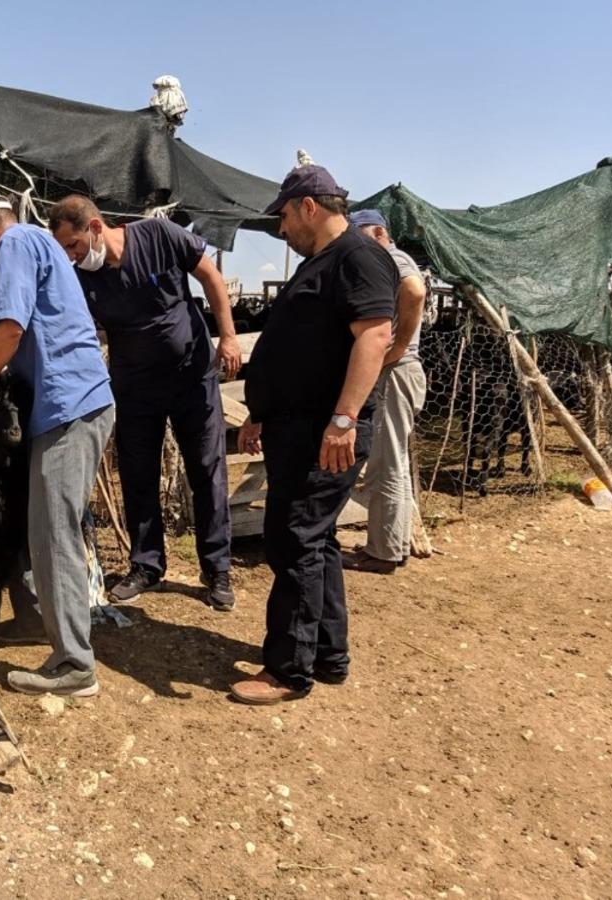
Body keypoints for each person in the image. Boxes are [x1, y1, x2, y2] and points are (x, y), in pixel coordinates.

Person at [232, 165, 396, 705]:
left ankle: (287, 670)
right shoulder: (324, 262)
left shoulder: (356, 256)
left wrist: (344, 418)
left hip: (324, 431)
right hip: (296, 428)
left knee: (295, 540)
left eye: (283, 216)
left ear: (308, 206)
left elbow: (374, 336)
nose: (281, 229)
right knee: (316, 540)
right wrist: (261, 412)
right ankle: (329, 654)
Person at [0, 189, 115, 697]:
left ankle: (74, 666)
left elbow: (9, 331)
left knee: (53, 534)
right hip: (71, 405)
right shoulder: (39, 243)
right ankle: (43, 627)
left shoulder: (16, 244)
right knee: (41, 526)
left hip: (68, 408)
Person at [48, 196, 241, 611]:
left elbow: (209, 276)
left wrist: (227, 336)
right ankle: (147, 564)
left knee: (207, 468)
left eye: (74, 244)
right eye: (64, 249)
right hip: (134, 386)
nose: (72, 255)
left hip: (191, 375)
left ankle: (217, 568)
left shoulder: (158, 234)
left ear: (96, 228)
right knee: (138, 473)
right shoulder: (83, 277)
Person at [342, 209, 428, 575]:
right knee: (394, 462)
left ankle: (383, 553)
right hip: (400, 370)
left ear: (378, 232)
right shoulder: (392, 258)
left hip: (395, 371)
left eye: (360, 236)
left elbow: (415, 290)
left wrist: (395, 349)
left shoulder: (391, 258)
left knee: (385, 462)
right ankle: (394, 544)